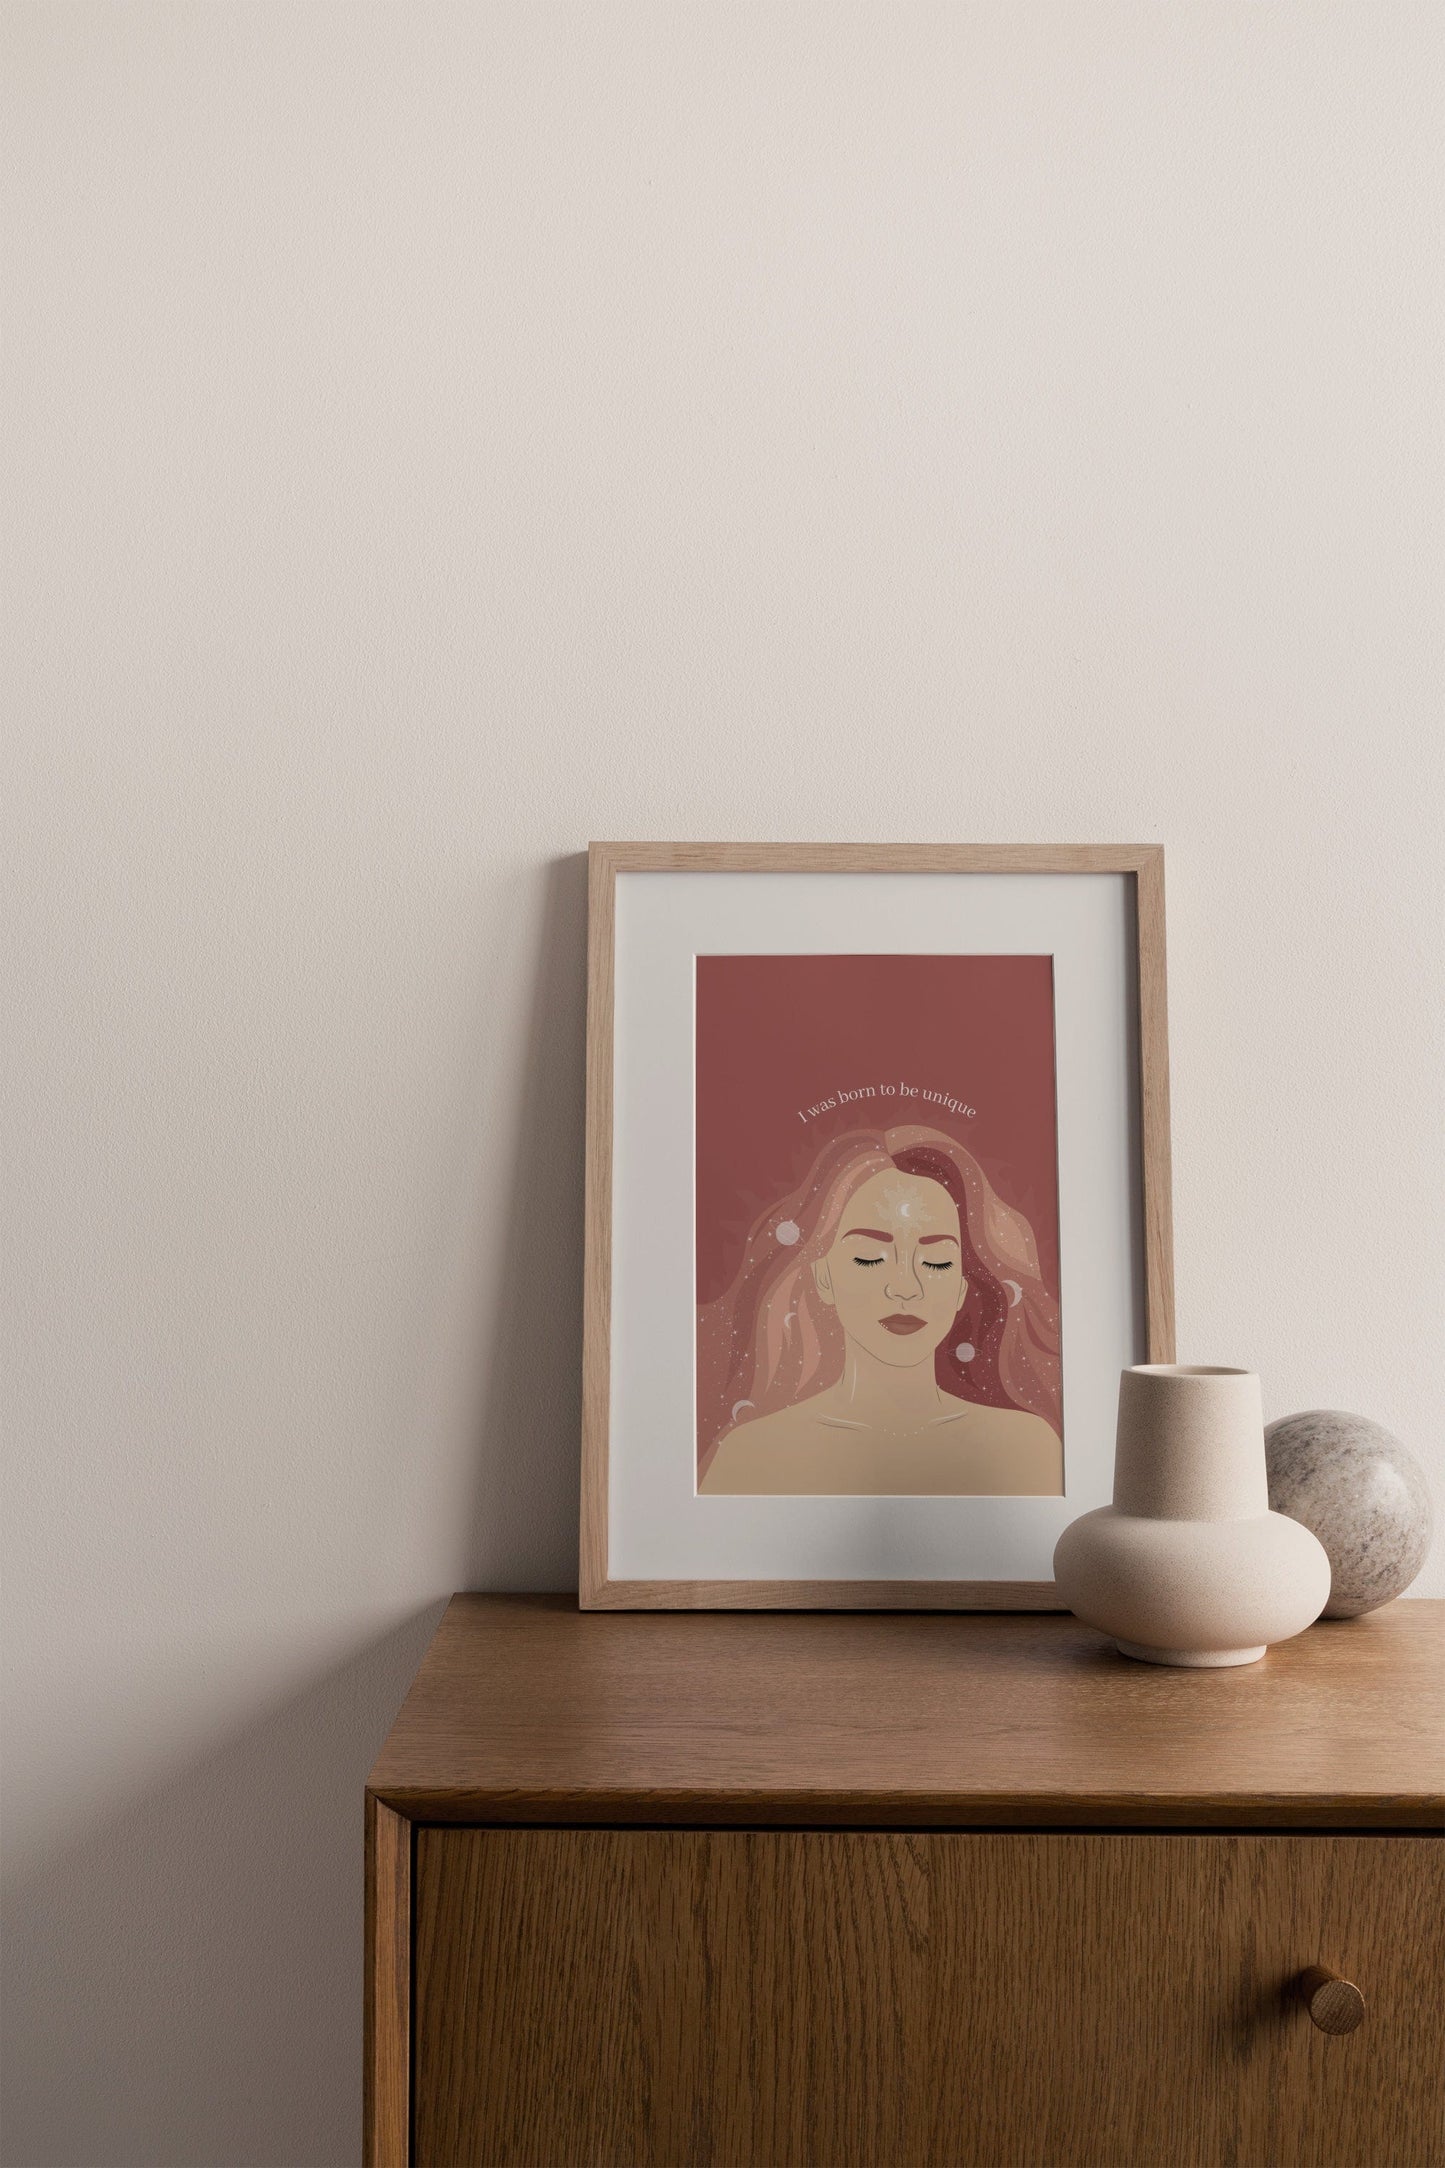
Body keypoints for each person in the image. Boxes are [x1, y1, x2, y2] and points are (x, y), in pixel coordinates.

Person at [698, 1124, 1062, 1496]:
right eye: (869, 1258)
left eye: (936, 1262)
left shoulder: (1028, 1444)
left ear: (960, 1290)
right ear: (823, 1277)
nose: (906, 1287)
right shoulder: (750, 1451)